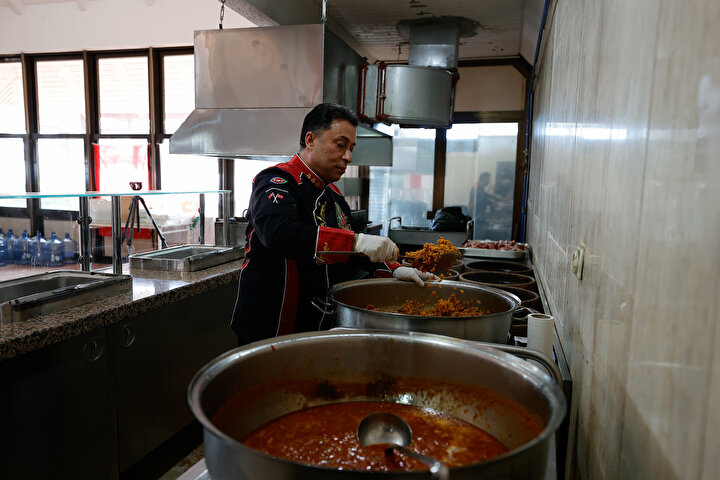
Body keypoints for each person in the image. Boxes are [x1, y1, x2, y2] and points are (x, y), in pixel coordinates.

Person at [231, 103, 434, 345]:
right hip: (271, 325)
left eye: (351, 148)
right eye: (340, 145)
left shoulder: (334, 196)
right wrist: (357, 241)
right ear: (310, 140)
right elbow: (280, 234)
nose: (348, 157)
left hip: (315, 322)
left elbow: (349, 249)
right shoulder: (277, 181)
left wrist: (392, 268)